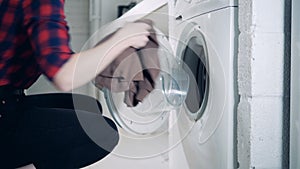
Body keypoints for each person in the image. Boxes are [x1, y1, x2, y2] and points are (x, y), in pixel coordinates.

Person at [0, 0, 151, 168]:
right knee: (102, 132)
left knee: (90, 107)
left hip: (11, 99)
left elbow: (50, 52)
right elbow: (63, 75)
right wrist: (123, 38)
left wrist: (103, 65)